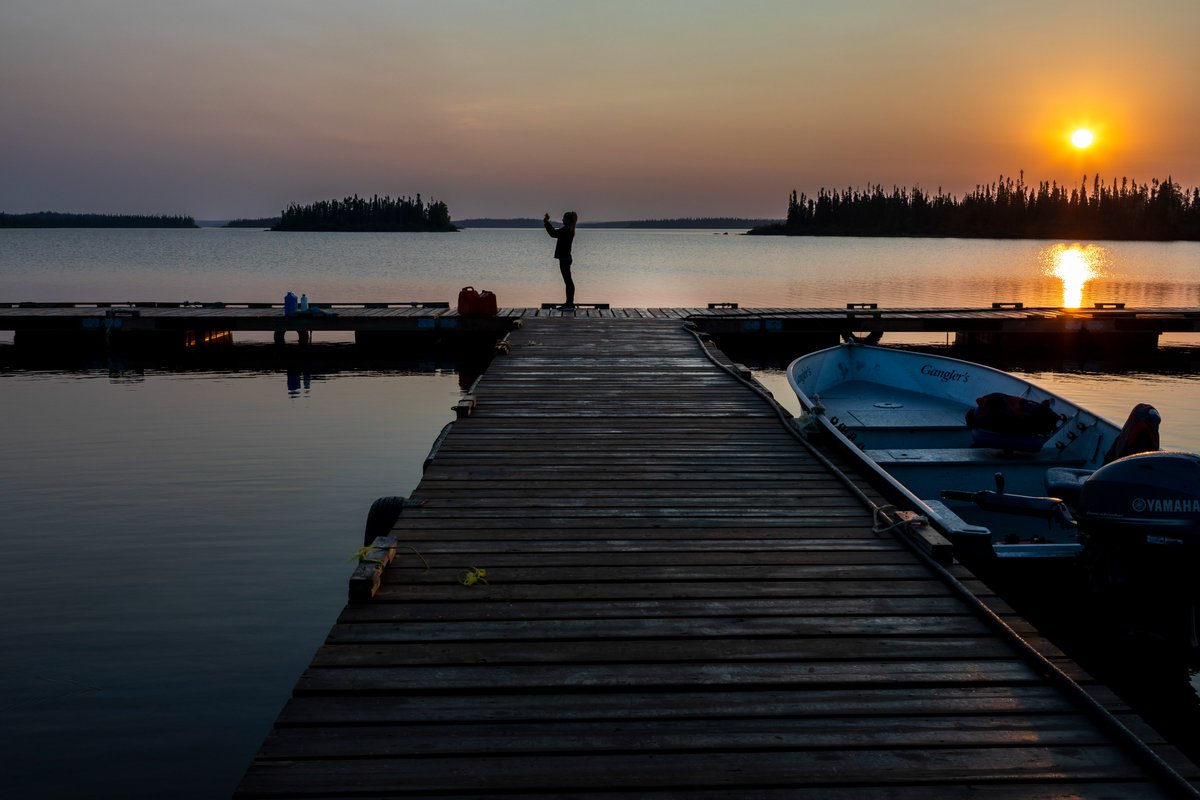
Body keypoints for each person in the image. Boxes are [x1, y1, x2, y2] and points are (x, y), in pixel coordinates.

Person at [543, 211, 578, 307]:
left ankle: (569, 303)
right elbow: (554, 233)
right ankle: (569, 302)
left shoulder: (566, 230)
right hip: (566, 258)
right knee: (568, 281)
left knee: (568, 281)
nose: (562, 219)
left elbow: (553, 233)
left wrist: (546, 222)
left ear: (568, 220)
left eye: (564, 218)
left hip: (565, 259)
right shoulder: (568, 230)